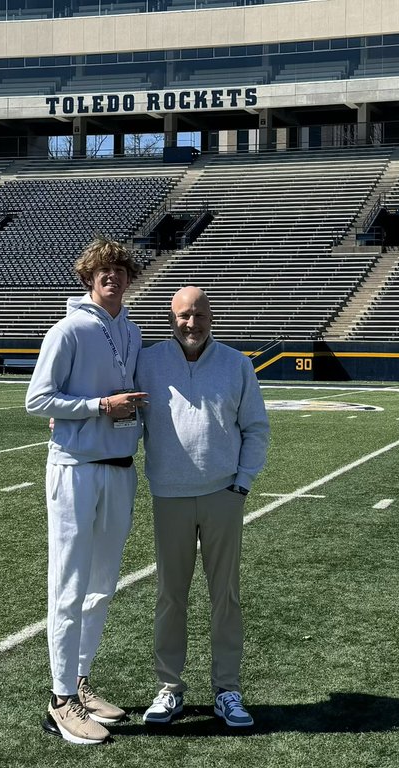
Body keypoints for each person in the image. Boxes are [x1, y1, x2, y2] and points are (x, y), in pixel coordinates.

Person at [25, 236, 149, 745]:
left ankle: (79, 681)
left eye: (119, 269)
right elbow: (37, 400)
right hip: (75, 468)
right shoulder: (68, 329)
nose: (112, 276)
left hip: (119, 468)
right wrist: (99, 406)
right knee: (69, 584)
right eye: (103, 270)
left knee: (102, 585)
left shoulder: (133, 331)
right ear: (88, 278)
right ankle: (59, 701)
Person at [135, 286, 270, 728]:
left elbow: (256, 428)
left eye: (198, 315)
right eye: (183, 316)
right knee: (170, 597)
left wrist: (242, 483)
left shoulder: (236, 363)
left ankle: (227, 690)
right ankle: (169, 688)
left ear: (211, 317)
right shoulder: (147, 362)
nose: (191, 324)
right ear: (170, 319)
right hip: (169, 495)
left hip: (222, 495)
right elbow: (121, 410)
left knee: (225, 597)